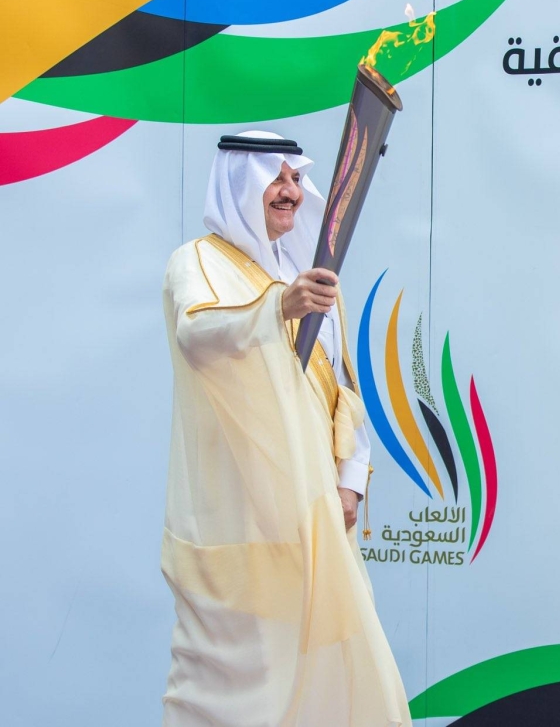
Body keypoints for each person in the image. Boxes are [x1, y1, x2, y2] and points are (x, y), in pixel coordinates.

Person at [160, 131, 411, 726]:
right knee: (233, 688)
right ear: (238, 183)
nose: (291, 191)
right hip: (236, 517)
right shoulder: (197, 262)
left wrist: (350, 479)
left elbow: (341, 389)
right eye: (275, 177)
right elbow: (198, 335)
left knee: (334, 674)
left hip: (313, 513)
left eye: (296, 178)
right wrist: (277, 308)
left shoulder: (308, 275)